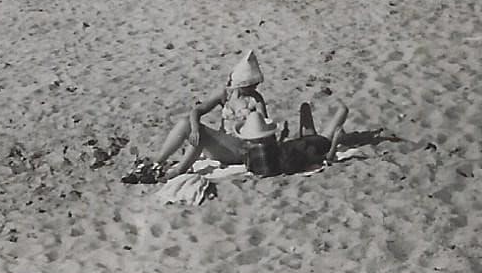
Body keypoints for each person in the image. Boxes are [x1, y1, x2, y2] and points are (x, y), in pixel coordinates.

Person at [130, 51, 350, 182]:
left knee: (202, 136)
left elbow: (262, 132)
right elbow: (196, 110)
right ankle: (158, 163)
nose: (253, 88)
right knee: (186, 124)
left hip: (240, 149)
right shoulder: (224, 94)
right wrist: (196, 126)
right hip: (223, 143)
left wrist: (273, 130)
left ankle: (178, 171)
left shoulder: (256, 100)